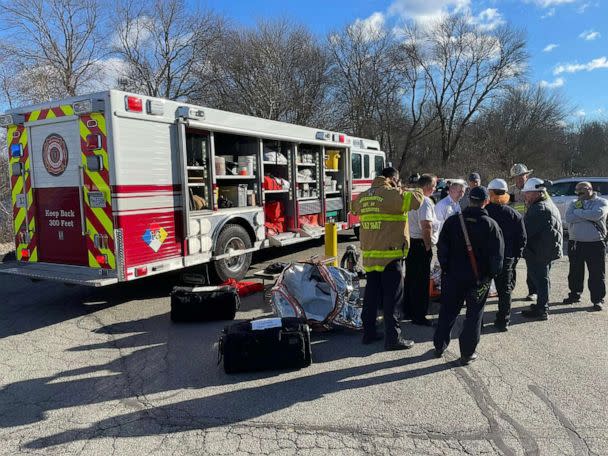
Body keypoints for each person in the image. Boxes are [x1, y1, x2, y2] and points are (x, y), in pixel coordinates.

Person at [352, 167, 424, 350]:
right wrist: (414, 187)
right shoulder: (392, 194)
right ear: (392, 178)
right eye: (397, 180)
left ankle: (369, 333)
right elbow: (417, 200)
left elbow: (353, 209)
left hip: (370, 256)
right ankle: (393, 339)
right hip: (390, 256)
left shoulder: (363, 196)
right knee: (392, 299)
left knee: (371, 296)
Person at [433, 186, 504, 365]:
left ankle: (439, 345)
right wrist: (490, 276)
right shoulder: (491, 225)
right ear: (485, 201)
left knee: (448, 311)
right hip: (478, 280)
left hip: (453, 277)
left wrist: (446, 268)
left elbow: (442, 249)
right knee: (474, 315)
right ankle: (467, 353)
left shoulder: (452, 222)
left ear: (469, 200)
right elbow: (497, 257)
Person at [485, 178, 527, 331]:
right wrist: (515, 257)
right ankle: (504, 321)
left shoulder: (484, 212)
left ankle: (478, 321)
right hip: (507, 258)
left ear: (490, 193)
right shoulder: (514, 214)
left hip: (486, 259)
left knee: (482, 290)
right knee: (505, 291)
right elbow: (522, 238)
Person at [520, 178, 563, 320]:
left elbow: (526, 231)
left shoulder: (539, 209)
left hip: (540, 251)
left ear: (536, 193)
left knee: (541, 280)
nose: (525, 195)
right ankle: (541, 305)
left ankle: (542, 310)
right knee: (543, 279)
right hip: (545, 249)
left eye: (527, 193)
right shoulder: (546, 203)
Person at [563, 181, 608, 311]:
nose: (579, 194)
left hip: (595, 243)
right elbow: (568, 218)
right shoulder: (573, 203)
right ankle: (574, 295)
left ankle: (597, 299)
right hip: (576, 242)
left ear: (590, 189)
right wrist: (584, 213)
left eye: (582, 190)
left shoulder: (601, 202)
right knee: (575, 272)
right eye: (577, 191)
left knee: (596, 273)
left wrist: (578, 213)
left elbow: (597, 215)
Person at [405, 174, 439, 326]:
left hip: (409, 242)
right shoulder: (424, 201)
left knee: (410, 278)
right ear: (426, 187)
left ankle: (408, 310)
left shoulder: (409, 197)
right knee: (421, 282)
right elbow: (426, 225)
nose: (435, 189)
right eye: (433, 186)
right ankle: (419, 316)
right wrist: (427, 245)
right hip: (420, 243)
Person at [509, 163, 537, 301]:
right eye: (516, 177)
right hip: (515, 231)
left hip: (531, 230)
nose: (519, 179)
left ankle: (533, 291)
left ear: (527, 176)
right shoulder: (511, 192)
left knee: (531, 263)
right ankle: (508, 288)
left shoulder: (534, 190)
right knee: (511, 262)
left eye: (522, 176)